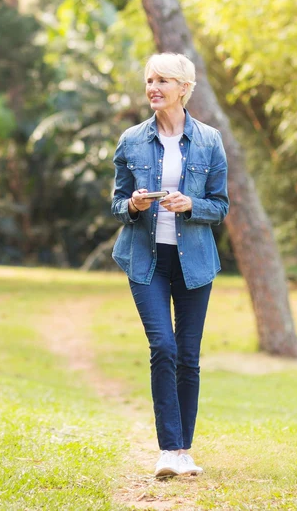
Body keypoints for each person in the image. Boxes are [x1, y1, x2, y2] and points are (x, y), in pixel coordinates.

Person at [110, 52, 229, 478]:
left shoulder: (211, 141)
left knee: (188, 356)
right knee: (163, 347)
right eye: (149, 80)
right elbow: (117, 203)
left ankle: (184, 451)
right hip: (147, 261)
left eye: (162, 80)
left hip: (194, 262)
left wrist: (191, 203)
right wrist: (133, 204)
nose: (153, 88)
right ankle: (167, 450)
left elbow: (220, 206)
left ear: (184, 87)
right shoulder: (131, 140)